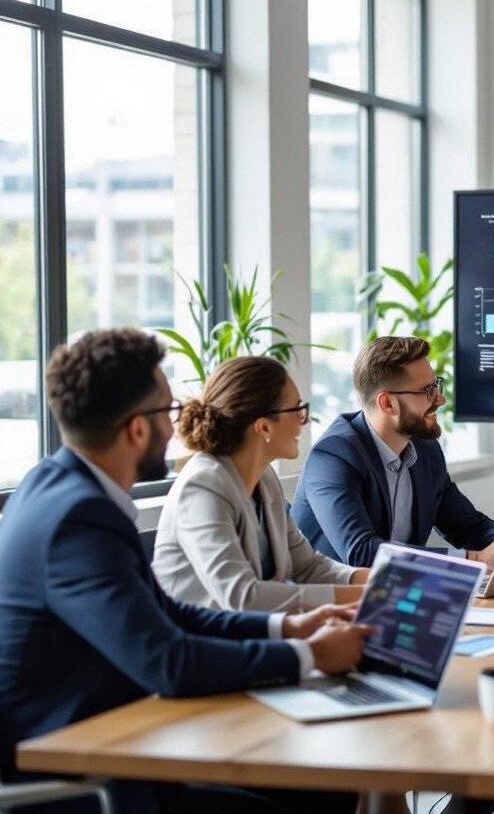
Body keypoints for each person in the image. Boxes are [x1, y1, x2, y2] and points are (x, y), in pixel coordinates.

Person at [0, 328, 369, 813]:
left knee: (329, 787)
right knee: (321, 788)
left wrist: (286, 628)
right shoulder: (79, 519)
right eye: (168, 412)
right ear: (136, 429)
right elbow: (168, 662)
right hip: (78, 767)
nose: (181, 424)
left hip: (118, 734)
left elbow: (164, 612)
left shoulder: (55, 487)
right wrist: (308, 655)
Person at [154, 356, 369, 612]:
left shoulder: (264, 478)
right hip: (201, 643)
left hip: (255, 633)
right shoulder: (203, 485)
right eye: (297, 409)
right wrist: (370, 597)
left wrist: (382, 582)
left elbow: (307, 566)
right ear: (264, 427)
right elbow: (243, 597)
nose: (305, 420)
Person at [292, 336, 494, 569]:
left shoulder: (425, 449)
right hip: (326, 599)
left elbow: (467, 525)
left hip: (394, 592)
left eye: (436, 385)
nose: (440, 399)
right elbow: (361, 552)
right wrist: (473, 559)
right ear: (387, 404)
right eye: (427, 391)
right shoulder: (333, 457)